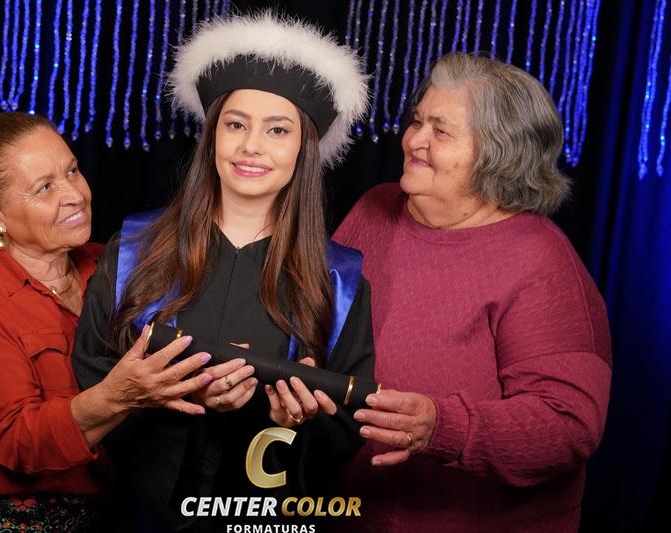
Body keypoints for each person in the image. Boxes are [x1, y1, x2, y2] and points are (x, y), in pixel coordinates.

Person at [72, 13, 374, 532]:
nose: (251, 145)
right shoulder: (134, 251)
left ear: (303, 149)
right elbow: (89, 376)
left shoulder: (338, 280)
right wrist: (171, 395)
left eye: (277, 130)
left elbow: (347, 425)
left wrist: (293, 422)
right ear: (212, 135)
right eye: (236, 124)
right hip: (141, 516)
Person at [332, 52, 612, 532]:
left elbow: (569, 425)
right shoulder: (374, 207)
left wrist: (440, 428)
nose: (413, 139)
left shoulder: (540, 260)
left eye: (440, 131)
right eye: (417, 121)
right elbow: (321, 320)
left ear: (498, 155)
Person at [0, 112, 214, 532]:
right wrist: (116, 396)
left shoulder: (112, 264)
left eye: (72, 171)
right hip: (1, 518)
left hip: (112, 511)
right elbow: (18, 443)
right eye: (45, 187)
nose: (75, 195)